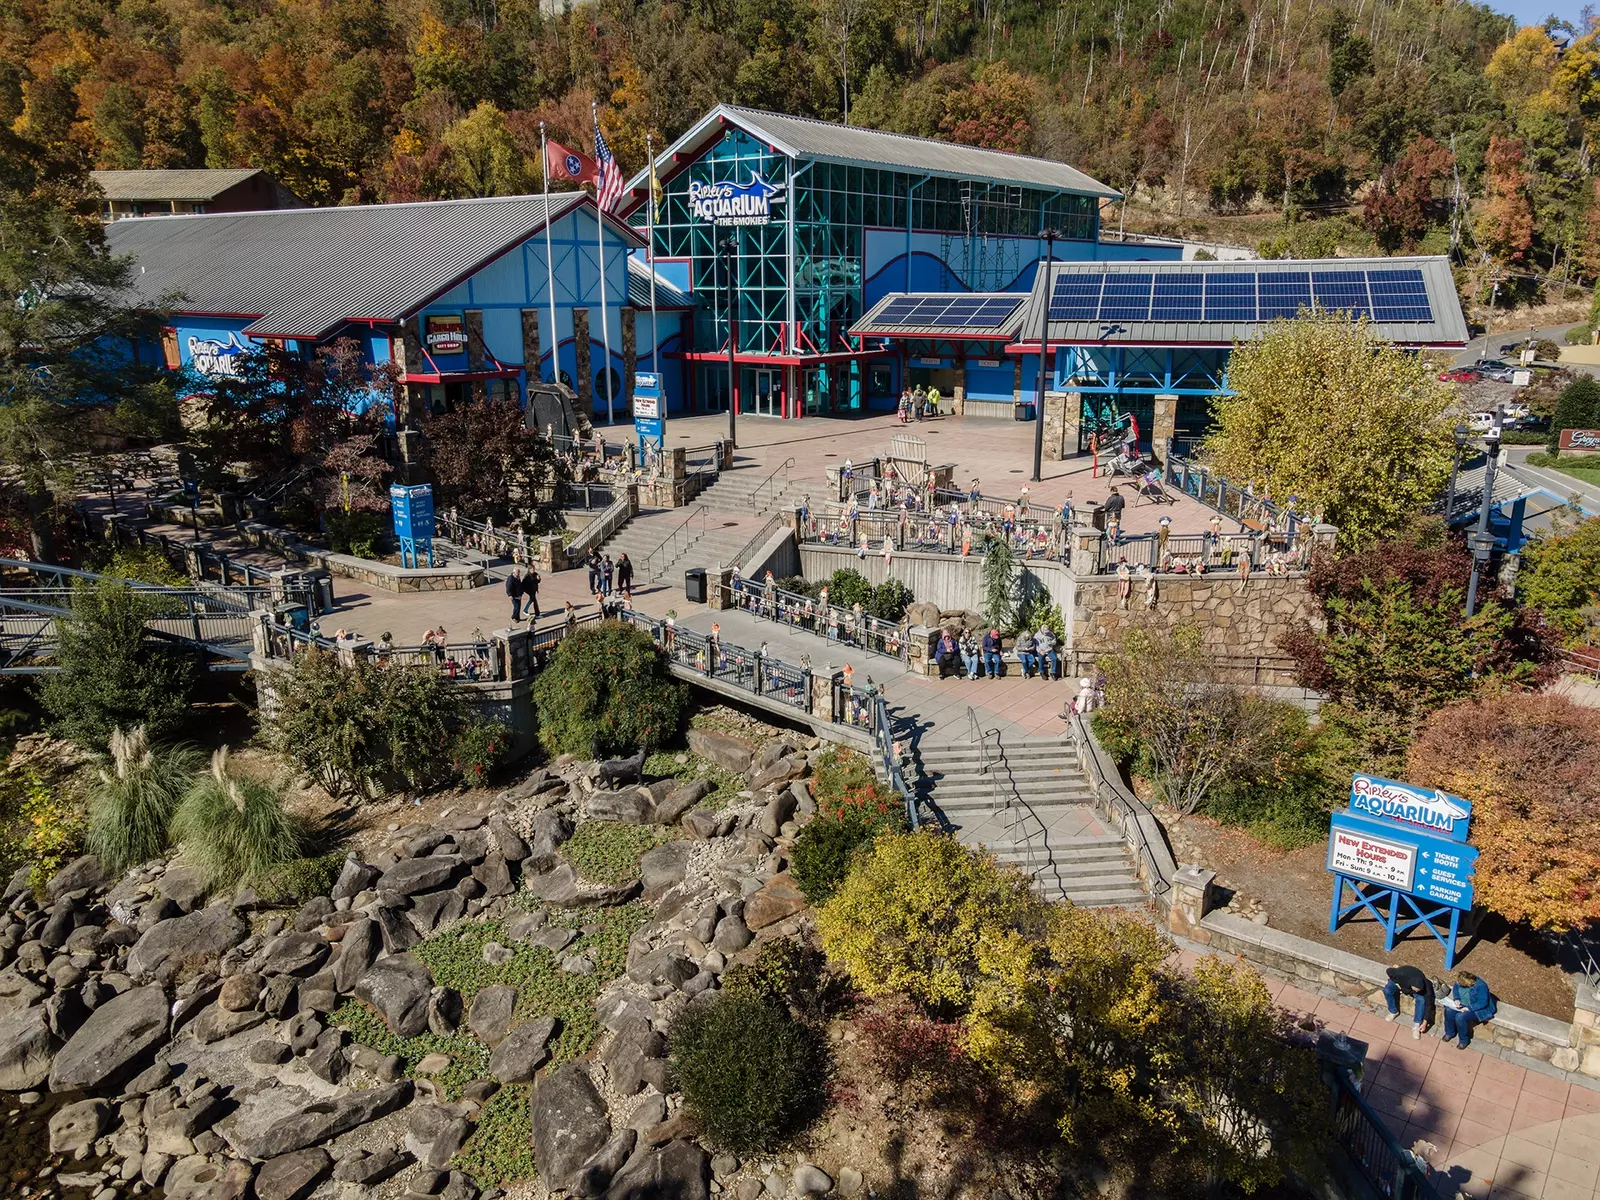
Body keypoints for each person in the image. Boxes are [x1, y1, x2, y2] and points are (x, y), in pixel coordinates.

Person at [1441, 971, 1496, 1049]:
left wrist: (1468, 1008)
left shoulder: (1481, 986)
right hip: (1463, 1004)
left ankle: (1463, 1040)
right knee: (1448, 1010)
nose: (1459, 984)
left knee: (1460, 1017)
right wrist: (1457, 999)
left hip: (1477, 1008)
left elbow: (1482, 1002)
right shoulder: (1460, 981)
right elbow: (1456, 988)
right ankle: (1449, 1033)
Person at [1383, 965, 1435, 1040]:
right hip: (1401, 983)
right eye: (1415, 990)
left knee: (1421, 1000)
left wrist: (1425, 1022)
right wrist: (1398, 985)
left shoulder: (1427, 987)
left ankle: (1417, 1025)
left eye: (1418, 990)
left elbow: (1428, 1004)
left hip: (1407, 987)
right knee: (1387, 990)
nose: (1416, 991)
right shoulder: (1400, 974)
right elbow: (1389, 971)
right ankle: (1393, 1011)